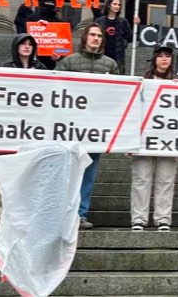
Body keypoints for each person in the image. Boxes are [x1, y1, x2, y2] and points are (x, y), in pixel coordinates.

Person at [57, 23, 119, 229]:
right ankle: (63, 213)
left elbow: (118, 97)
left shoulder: (111, 65)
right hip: (70, 127)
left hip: (95, 129)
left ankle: (80, 214)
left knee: (88, 174)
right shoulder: (69, 61)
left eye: (99, 35)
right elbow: (56, 89)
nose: (95, 38)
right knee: (67, 172)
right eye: (92, 34)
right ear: (85, 38)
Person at [0, 33, 47, 228]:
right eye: (23, 43)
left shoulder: (41, 69)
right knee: (1, 169)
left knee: (29, 171)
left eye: (31, 44)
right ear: (16, 46)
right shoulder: (6, 67)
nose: (27, 47)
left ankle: (24, 211)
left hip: (32, 127)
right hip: (7, 126)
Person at [131, 45, 178, 231]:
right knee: (141, 178)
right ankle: (139, 219)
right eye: (161, 56)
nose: (164, 59)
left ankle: (163, 218)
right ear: (155, 59)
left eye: (168, 56)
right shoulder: (143, 83)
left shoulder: (177, 84)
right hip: (144, 137)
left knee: (166, 179)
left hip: (168, 138)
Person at [94, 0, 138, 73]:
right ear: (108, 5)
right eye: (114, 4)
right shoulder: (100, 21)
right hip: (101, 55)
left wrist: (136, 25)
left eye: (119, 5)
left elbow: (130, 38)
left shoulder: (123, 22)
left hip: (118, 57)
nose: (117, 6)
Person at [27, 0, 65, 70]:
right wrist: (36, 27)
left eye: (51, 3)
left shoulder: (58, 21)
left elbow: (62, 44)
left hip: (50, 62)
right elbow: (24, 35)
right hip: (32, 58)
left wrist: (59, 56)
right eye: (47, 2)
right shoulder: (32, 17)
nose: (49, 5)